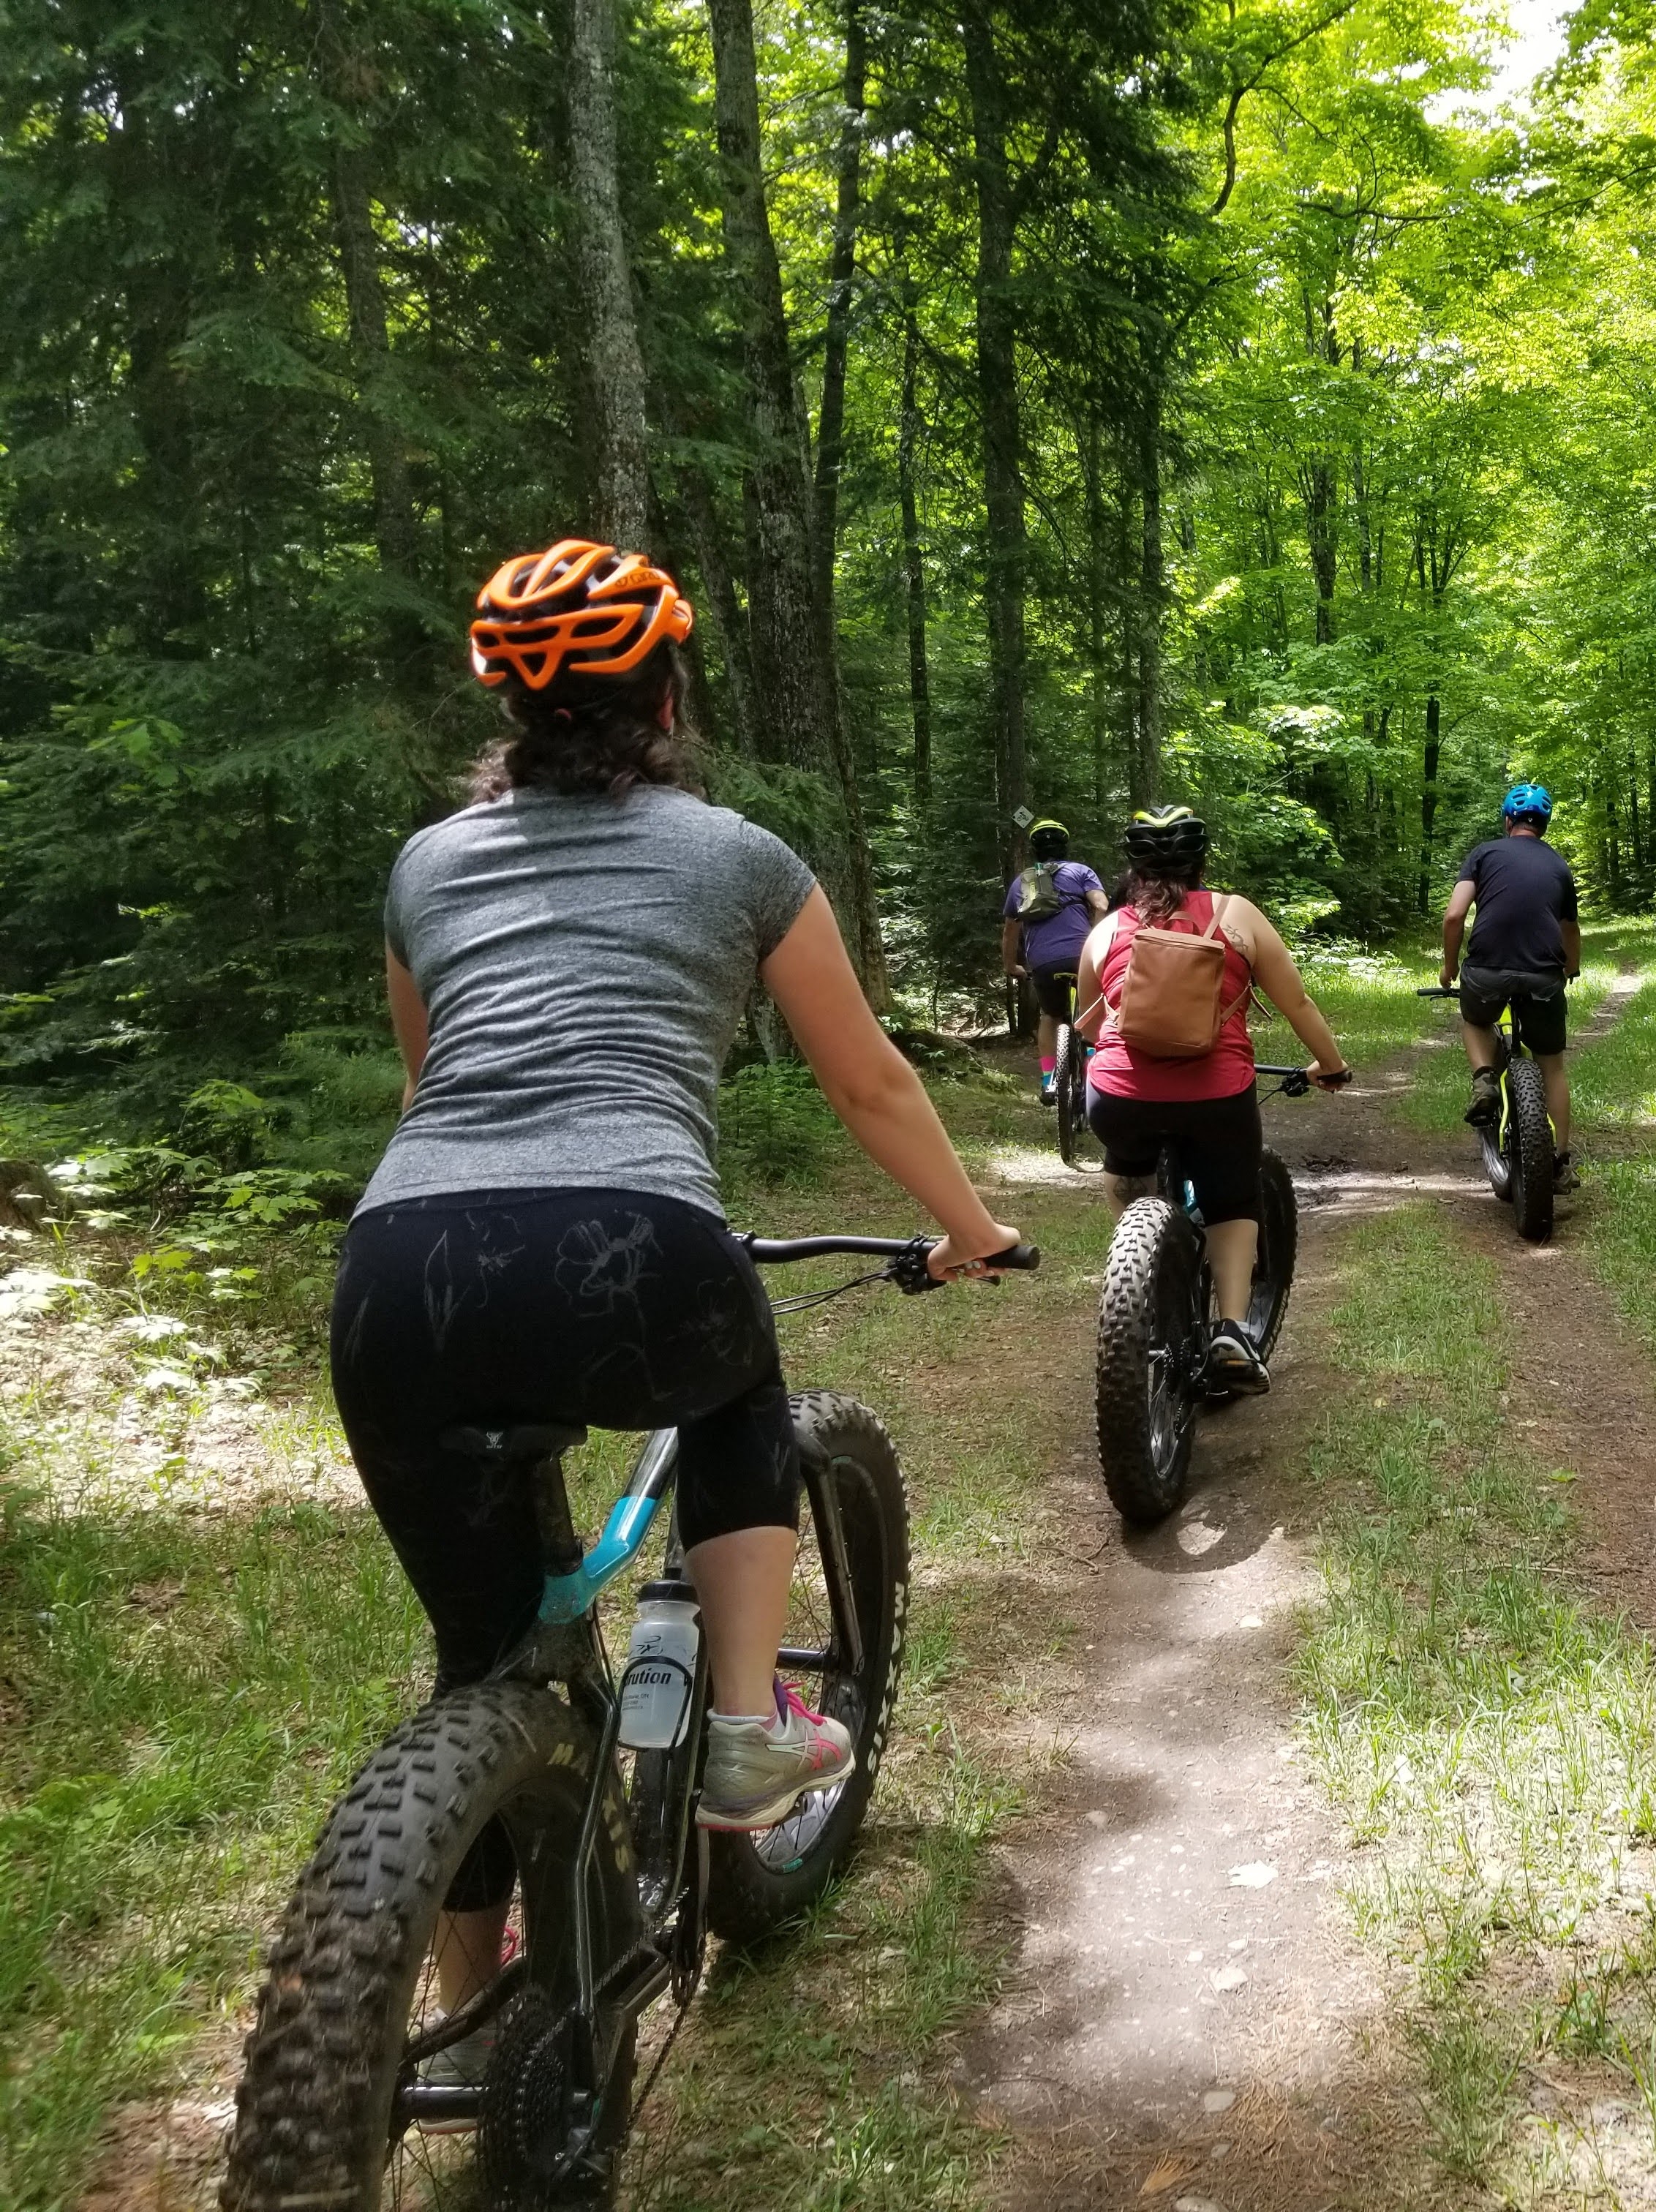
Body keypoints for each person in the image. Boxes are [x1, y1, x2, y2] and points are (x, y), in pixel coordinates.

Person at [342, 540, 1028, 2047]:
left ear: (509, 704)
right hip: (634, 1243)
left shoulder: (423, 865)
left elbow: (423, 1090)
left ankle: (464, 2010)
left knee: (479, 1655)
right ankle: (736, 1730)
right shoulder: (736, 854)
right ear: (665, 685)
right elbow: (867, 1081)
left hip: (400, 1272)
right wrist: (971, 1227)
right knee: (739, 1389)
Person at [1077, 805, 1350, 1393]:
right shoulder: (1236, 915)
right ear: (1202, 862)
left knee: (1126, 1164)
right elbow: (1297, 1003)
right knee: (1232, 1199)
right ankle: (1231, 1331)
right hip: (1216, 1095)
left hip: (1120, 1098)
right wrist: (1331, 1065)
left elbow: (1089, 1025)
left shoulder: (1107, 930)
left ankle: (1137, 1265)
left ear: (1134, 868)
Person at [1439, 783, 1583, 1191]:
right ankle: (1559, 1161)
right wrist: (1571, 968)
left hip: (1486, 970)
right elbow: (1569, 928)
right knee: (1551, 1066)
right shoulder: (1558, 865)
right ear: (1545, 826)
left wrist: (1450, 969)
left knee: (1475, 1020)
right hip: (1543, 976)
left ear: (1507, 821)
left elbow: (1454, 916)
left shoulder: (1483, 854)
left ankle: (1485, 1077)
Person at [1003, 818, 1109, 1100]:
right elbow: (1101, 904)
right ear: (1065, 846)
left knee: (1050, 1015)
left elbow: (1010, 931)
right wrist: (1097, 942)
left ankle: (1049, 1081)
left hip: (1042, 961)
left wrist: (1011, 965)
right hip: (1081, 956)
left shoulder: (1022, 883)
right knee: (1092, 1013)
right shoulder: (1081, 871)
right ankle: (1095, 1072)